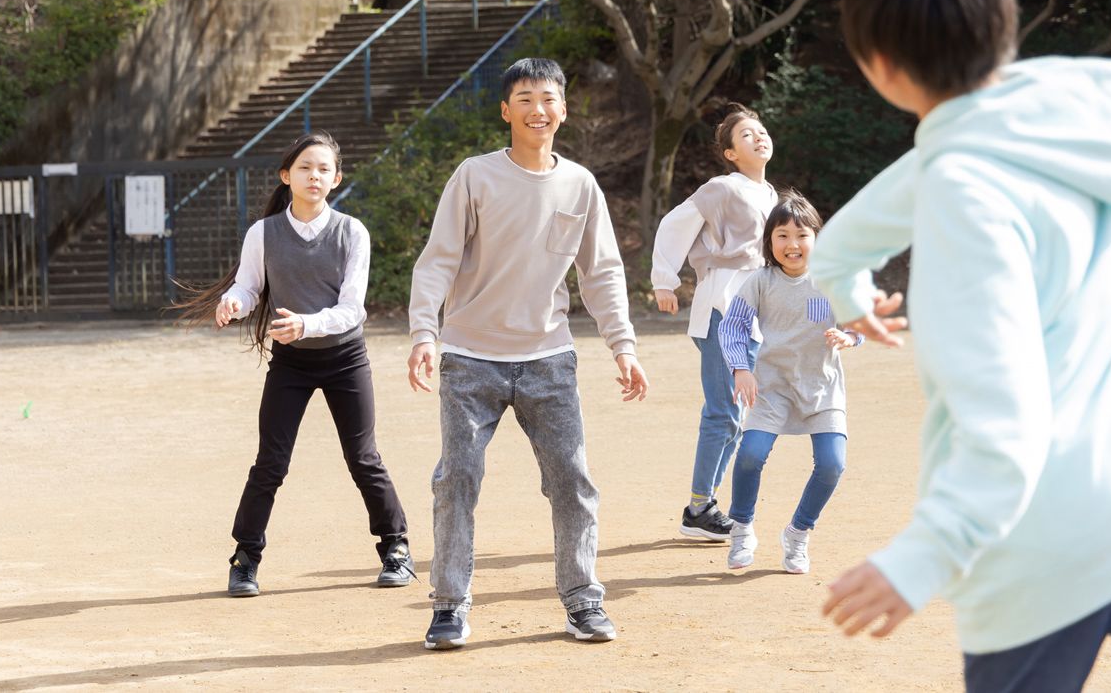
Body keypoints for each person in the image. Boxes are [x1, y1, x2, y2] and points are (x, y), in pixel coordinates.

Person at [813, 0, 1111, 691]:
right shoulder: (1058, 125)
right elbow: (845, 242)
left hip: (1042, 545)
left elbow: (1003, 418)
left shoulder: (959, 189)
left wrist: (922, 557)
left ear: (880, 67)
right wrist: (848, 291)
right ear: (1003, 25)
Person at [407, 57, 649, 650]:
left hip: (549, 359)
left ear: (563, 109)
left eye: (547, 98)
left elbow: (603, 273)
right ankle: (449, 605)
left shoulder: (581, 184)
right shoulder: (475, 176)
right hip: (469, 358)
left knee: (572, 480)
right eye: (524, 98)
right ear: (505, 111)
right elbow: (438, 258)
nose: (537, 109)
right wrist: (423, 333)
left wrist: (624, 346)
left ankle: (583, 600)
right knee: (456, 478)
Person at [178, 132, 412, 598]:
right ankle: (245, 559)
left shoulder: (352, 232)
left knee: (363, 458)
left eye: (324, 169)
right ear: (287, 176)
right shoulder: (263, 233)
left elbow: (353, 309)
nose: (314, 176)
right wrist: (232, 303)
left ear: (337, 179)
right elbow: (249, 288)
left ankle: (396, 549)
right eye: (305, 168)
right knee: (271, 462)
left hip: (345, 358)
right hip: (291, 363)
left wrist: (305, 324)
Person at [650, 104, 779, 541]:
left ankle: (705, 505)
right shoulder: (722, 187)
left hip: (753, 310)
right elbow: (675, 223)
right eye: (746, 135)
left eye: (761, 131)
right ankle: (699, 506)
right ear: (729, 153)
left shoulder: (771, 195)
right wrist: (665, 281)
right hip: (722, 302)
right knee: (723, 412)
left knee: (737, 416)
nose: (759, 137)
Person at [717, 192, 861, 574]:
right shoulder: (760, 282)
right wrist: (740, 367)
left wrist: (849, 337)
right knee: (750, 456)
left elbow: (856, 320)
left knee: (832, 465)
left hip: (822, 387)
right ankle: (742, 528)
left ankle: (798, 533)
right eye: (782, 235)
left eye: (801, 235)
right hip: (772, 386)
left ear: (817, 239)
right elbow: (732, 326)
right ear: (769, 242)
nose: (792, 244)